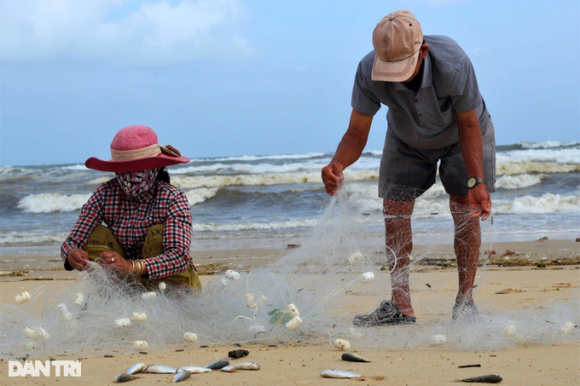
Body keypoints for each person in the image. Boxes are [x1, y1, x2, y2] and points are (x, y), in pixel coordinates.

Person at [321, 10, 495, 326]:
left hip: (461, 136)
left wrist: (477, 180)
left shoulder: (454, 63)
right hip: (406, 138)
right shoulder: (366, 70)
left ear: (423, 51)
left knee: (464, 208)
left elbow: (469, 123)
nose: (396, 78)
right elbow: (357, 132)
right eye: (389, 70)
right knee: (395, 210)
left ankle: (465, 302)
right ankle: (401, 307)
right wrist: (337, 163)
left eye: (403, 69)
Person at [60, 125, 201, 291]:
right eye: (124, 170)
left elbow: (178, 257)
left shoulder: (172, 197)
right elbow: (73, 241)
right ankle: (120, 296)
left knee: (157, 234)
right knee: (96, 234)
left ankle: (174, 305)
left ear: (155, 167)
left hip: (174, 286)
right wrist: (71, 254)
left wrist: (132, 266)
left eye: (138, 169)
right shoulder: (104, 193)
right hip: (126, 282)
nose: (130, 176)